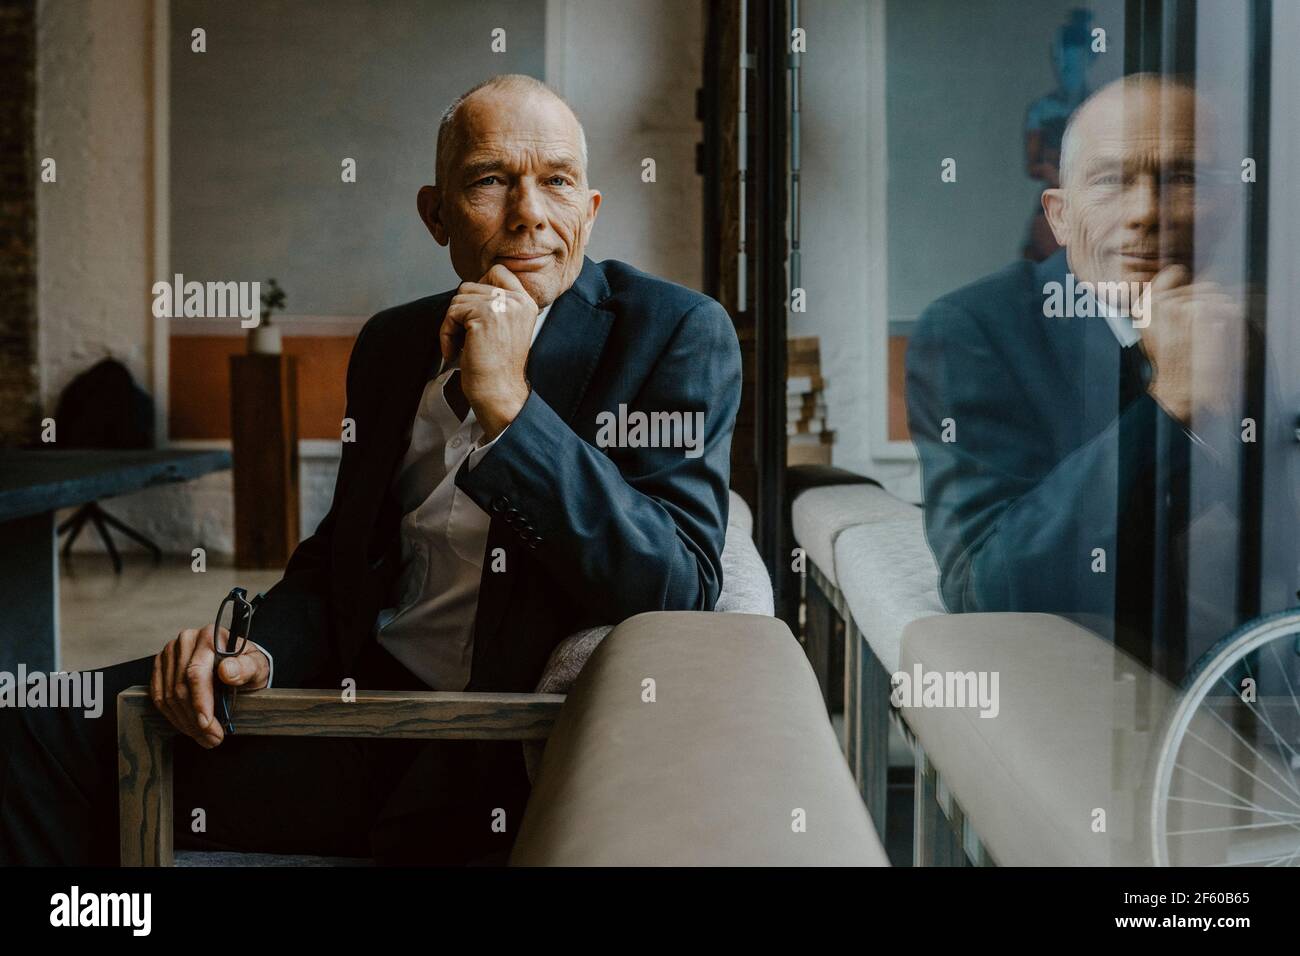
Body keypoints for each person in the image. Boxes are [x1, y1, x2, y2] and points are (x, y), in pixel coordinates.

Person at [0, 74, 742, 865]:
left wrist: (511, 410)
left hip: (481, 761)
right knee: (30, 733)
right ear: (436, 214)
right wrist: (255, 652)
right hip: (341, 710)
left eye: (557, 182)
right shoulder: (394, 344)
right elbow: (335, 567)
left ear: (588, 211)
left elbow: (676, 586)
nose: (530, 213)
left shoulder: (672, 334)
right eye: (491, 180)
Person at [907, 73, 1250, 679]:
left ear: (1231, 206)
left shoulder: (1249, 335)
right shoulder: (972, 330)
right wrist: (1168, 404)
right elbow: (989, 590)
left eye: (1183, 179)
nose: (1146, 212)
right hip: (1086, 711)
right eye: (1113, 181)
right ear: (1060, 217)